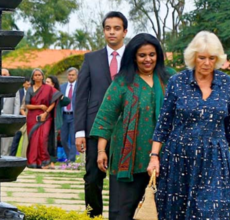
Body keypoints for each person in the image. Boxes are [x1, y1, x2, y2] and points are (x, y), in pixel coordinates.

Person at [147, 31, 230, 220]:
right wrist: (154, 156)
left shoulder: (227, 84)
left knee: (212, 213)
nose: (207, 63)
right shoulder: (177, 82)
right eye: (202, 58)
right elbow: (164, 123)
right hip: (179, 157)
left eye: (212, 58)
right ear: (193, 57)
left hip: (215, 158)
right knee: (176, 213)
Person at [90, 33, 169, 220]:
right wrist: (101, 150)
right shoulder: (122, 81)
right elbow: (106, 116)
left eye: (152, 54)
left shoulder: (169, 80)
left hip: (162, 158)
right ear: (133, 56)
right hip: (128, 159)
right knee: (122, 211)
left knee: (158, 211)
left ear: (158, 55)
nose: (147, 59)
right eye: (142, 55)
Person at [73, 11, 128, 217]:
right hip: (95, 127)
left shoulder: (134, 59)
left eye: (116, 28)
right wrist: (79, 131)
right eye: (108, 28)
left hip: (126, 126)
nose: (111, 32)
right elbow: (81, 97)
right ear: (104, 31)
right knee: (93, 176)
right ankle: (93, 215)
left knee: (121, 177)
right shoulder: (91, 59)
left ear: (125, 31)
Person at [25, 69, 62, 169]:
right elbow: (27, 105)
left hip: (46, 117)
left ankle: (44, 162)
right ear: (33, 77)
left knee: (43, 138)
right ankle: (33, 162)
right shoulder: (29, 89)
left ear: (42, 76)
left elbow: (53, 101)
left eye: (39, 75)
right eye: (35, 75)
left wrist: (45, 112)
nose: (37, 77)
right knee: (33, 140)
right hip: (32, 118)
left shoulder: (48, 88)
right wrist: (40, 106)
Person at [45, 75, 70, 167]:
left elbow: (67, 101)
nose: (45, 83)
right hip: (44, 121)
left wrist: (61, 96)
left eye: (48, 82)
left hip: (54, 122)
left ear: (53, 84)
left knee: (53, 143)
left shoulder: (57, 95)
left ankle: (52, 162)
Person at [59, 67, 78, 162]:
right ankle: (69, 156)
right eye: (69, 75)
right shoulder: (62, 87)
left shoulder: (80, 87)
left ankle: (71, 159)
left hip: (74, 116)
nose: (71, 77)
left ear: (76, 76)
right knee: (63, 139)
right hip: (64, 115)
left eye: (73, 75)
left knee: (73, 139)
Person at [1, 68, 21, 156]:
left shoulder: (14, 88)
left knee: (6, 143)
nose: (3, 77)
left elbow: (17, 105)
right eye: (1, 75)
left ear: (9, 76)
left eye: (5, 75)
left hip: (8, 118)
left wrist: (15, 119)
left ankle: (4, 160)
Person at [9, 78, 31, 157]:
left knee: (26, 140)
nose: (29, 85)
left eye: (30, 84)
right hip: (19, 120)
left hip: (28, 121)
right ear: (23, 84)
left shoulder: (31, 92)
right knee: (15, 139)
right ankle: (12, 156)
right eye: (27, 84)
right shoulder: (19, 92)